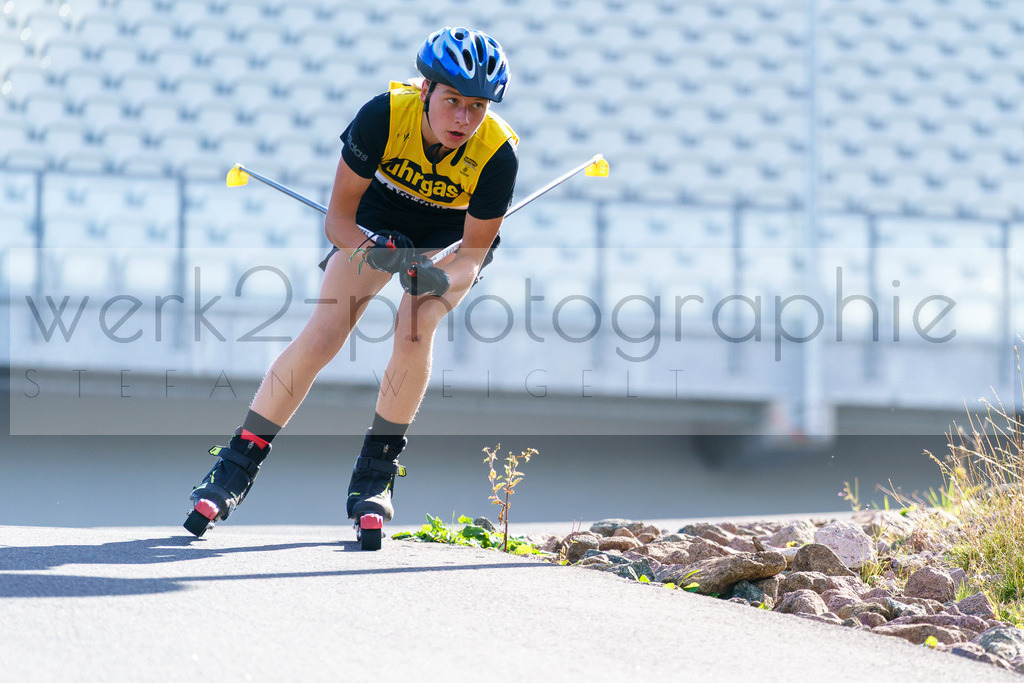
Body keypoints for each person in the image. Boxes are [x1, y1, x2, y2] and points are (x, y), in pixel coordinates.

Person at [184, 27, 518, 536]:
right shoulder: (382, 115)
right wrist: (370, 250)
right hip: (375, 223)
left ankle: (377, 475)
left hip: (450, 241)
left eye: (477, 106)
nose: (463, 119)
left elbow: (472, 256)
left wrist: (432, 278)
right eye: (452, 101)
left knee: (415, 324)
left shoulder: (497, 154)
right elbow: (337, 222)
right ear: (426, 91)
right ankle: (235, 463)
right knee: (326, 330)